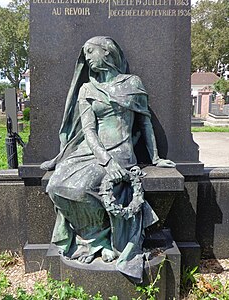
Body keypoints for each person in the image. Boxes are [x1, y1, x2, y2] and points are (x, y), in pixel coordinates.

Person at [41, 36, 175, 282]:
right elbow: (89, 130)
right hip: (92, 152)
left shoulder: (132, 83)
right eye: (86, 53)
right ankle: (91, 238)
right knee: (56, 186)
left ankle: (100, 242)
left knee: (79, 189)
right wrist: (105, 161)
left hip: (121, 153)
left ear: (108, 52)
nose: (88, 57)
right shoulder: (87, 89)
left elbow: (144, 122)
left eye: (92, 51)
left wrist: (155, 158)